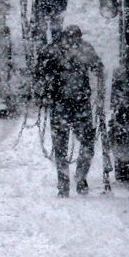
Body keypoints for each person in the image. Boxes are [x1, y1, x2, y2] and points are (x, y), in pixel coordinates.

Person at [35, 25, 104, 197]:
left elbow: (39, 73)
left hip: (60, 104)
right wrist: (100, 95)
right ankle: (80, 178)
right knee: (87, 142)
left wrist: (42, 95)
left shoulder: (52, 50)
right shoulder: (84, 49)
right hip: (80, 104)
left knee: (60, 146)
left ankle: (64, 183)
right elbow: (98, 68)